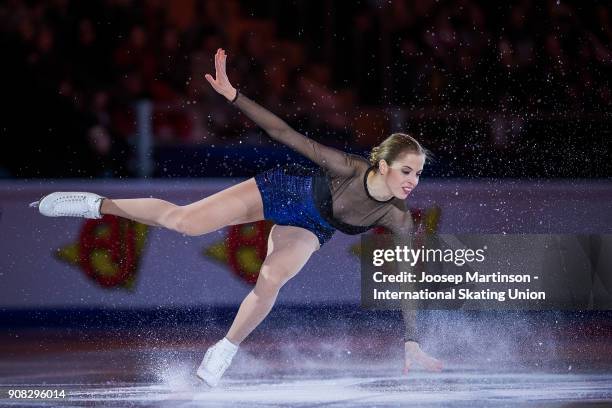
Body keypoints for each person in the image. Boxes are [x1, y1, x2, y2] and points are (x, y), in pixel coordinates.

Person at [30, 48, 442, 386]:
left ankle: (224, 348)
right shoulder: (348, 167)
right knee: (184, 221)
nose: (413, 181)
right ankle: (95, 203)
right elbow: (284, 134)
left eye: (419, 173)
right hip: (283, 190)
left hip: (312, 226)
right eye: (407, 171)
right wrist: (232, 95)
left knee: (272, 278)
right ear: (383, 165)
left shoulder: (398, 216)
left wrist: (411, 339)